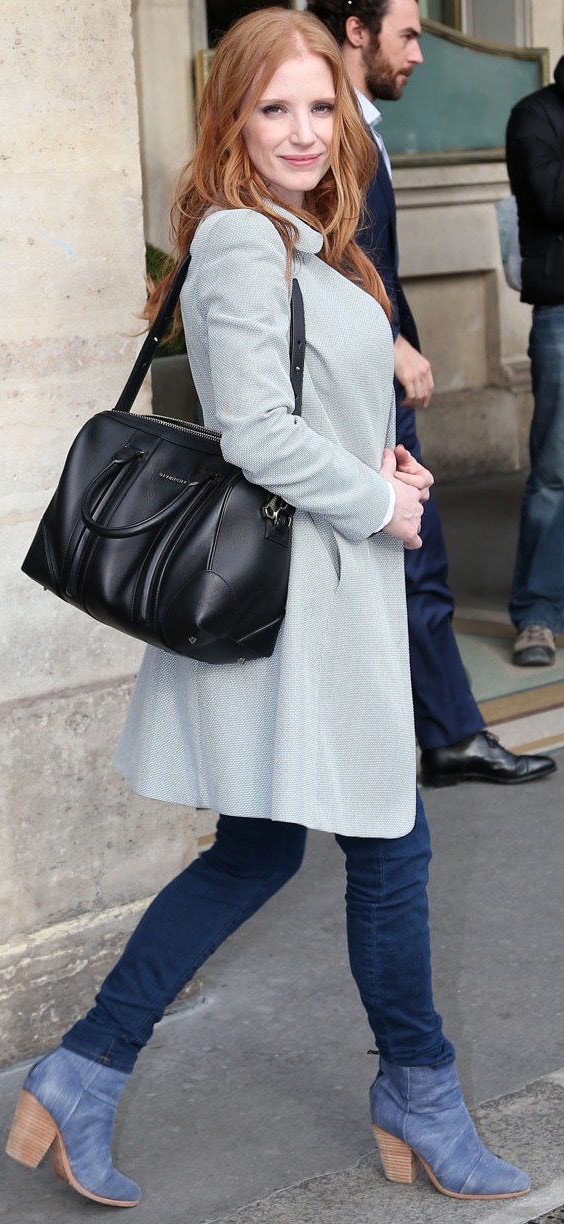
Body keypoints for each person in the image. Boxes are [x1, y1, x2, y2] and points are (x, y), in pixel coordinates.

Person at [5, 8, 530, 1209]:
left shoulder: (309, 233)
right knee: (391, 849)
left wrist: (380, 468)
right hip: (301, 614)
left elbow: (308, 419)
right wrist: (380, 508)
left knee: (255, 851)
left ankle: (83, 1069)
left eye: (316, 106)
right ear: (232, 120)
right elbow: (251, 433)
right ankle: (418, 1088)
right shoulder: (244, 240)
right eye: (271, 108)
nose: (301, 130)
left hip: (322, 597)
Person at [307, 0, 557, 786]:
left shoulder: (357, 123)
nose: (420, 52)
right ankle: (442, 735)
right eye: (408, 34)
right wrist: (392, 342)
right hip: (359, 386)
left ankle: (443, 733)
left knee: (411, 564)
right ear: (357, 28)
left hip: (373, 386)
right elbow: (332, 254)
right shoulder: (330, 132)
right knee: (414, 560)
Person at [505, 57, 564, 667]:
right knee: (554, 470)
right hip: (561, 316)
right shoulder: (535, 116)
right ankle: (538, 613)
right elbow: (551, 199)